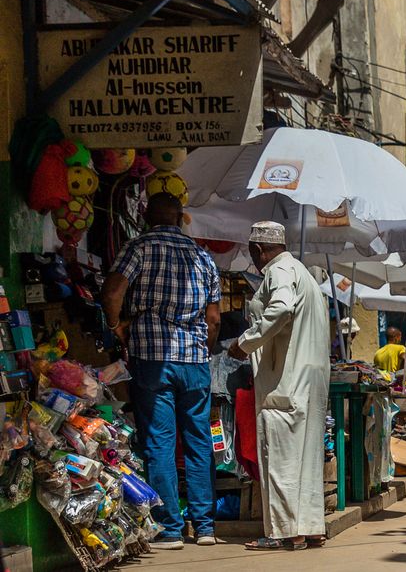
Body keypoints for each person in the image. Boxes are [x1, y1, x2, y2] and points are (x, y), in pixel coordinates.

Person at [100, 193, 221, 550]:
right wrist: (204, 349)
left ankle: (170, 529)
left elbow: (112, 292)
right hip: (195, 361)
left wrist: (116, 326)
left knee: (159, 443)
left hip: (152, 358)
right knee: (200, 444)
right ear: (181, 218)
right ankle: (205, 527)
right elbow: (214, 318)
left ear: (146, 217)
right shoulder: (203, 256)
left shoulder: (137, 247)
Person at [231, 221, 330, 551]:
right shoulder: (304, 274)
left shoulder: (278, 271)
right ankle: (310, 527)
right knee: (306, 457)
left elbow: (282, 308)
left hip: (286, 381)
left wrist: (244, 342)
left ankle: (284, 532)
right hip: (307, 379)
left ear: (258, 250)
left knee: (281, 457)